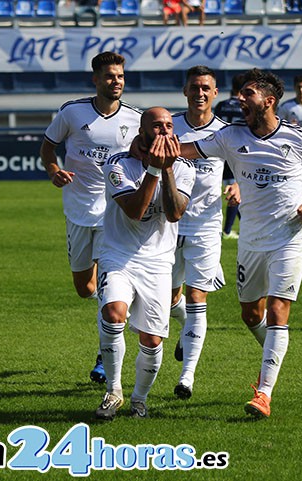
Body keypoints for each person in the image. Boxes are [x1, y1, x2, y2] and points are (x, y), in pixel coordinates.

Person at [176, 68, 302, 419]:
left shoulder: (300, 139)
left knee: (277, 311)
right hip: (251, 242)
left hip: (289, 236)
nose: (239, 99)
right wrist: (150, 146)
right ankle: (274, 351)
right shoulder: (230, 137)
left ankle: (264, 393)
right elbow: (186, 150)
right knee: (250, 313)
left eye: (248, 94)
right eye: (239, 93)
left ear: (269, 101)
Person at [40, 52, 142, 385]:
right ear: (95, 79)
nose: (117, 82)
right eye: (111, 76)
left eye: (121, 76)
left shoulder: (135, 119)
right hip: (78, 211)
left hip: (115, 213)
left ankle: (106, 349)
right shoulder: (72, 112)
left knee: (106, 285)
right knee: (85, 288)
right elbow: (47, 147)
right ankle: (114, 303)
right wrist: (54, 170)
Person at [94, 107, 195, 420]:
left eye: (168, 124)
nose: (164, 130)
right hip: (118, 254)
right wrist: (153, 169)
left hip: (158, 262)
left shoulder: (184, 168)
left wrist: (165, 169)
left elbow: (176, 212)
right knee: (113, 314)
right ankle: (113, 391)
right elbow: (135, 211)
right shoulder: (117, 163)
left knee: (151, 340)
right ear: (141, 129)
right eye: (157, 125)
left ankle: (139, 400)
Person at [169, 66, 239, 401]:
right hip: (167, 224)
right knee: (169, 299)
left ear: (215, 93)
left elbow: (241, 169)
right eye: (195, 87)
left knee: (198, 298)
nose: (200, 93)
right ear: (185, 90)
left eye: (206, 88)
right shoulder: (169, 126)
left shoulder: (226, 133)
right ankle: (184, 328)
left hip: (206, 225)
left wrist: (237, 185)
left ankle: (187, 376)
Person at [213, 73, 246, 240]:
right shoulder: (243, 105)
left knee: (230, 189)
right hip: (236, 150)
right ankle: (226, 230)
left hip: (220, 150)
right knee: (236, 190)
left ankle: (236, 227)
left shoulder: (220, 105)